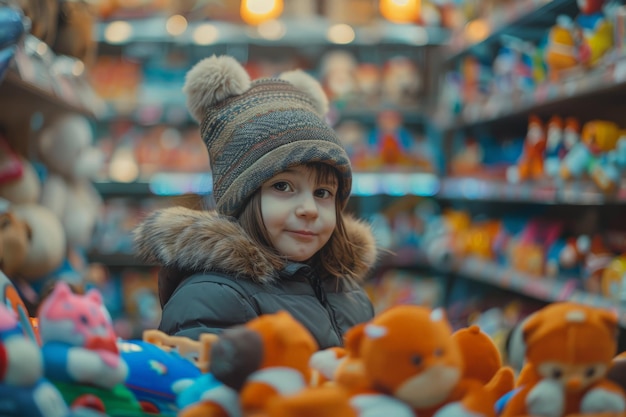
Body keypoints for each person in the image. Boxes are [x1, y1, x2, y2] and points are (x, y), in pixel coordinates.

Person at [133, 55, 377, 349]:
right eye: (283, 186)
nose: (309, 209)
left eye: (323, 193)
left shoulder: (347, 290)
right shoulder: (213, 296)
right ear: (242, 198)